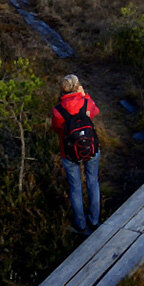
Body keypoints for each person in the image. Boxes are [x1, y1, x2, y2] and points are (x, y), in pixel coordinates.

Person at [51, 74, 101, 235]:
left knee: (75, 188)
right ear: (77, 86)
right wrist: (84, 94)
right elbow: (95, 112)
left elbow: (57, 129)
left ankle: (80, 224)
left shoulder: (58, 110)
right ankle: (94, 220)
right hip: (91, 148)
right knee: (92, 181)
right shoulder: (86, 101)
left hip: (69, 152)